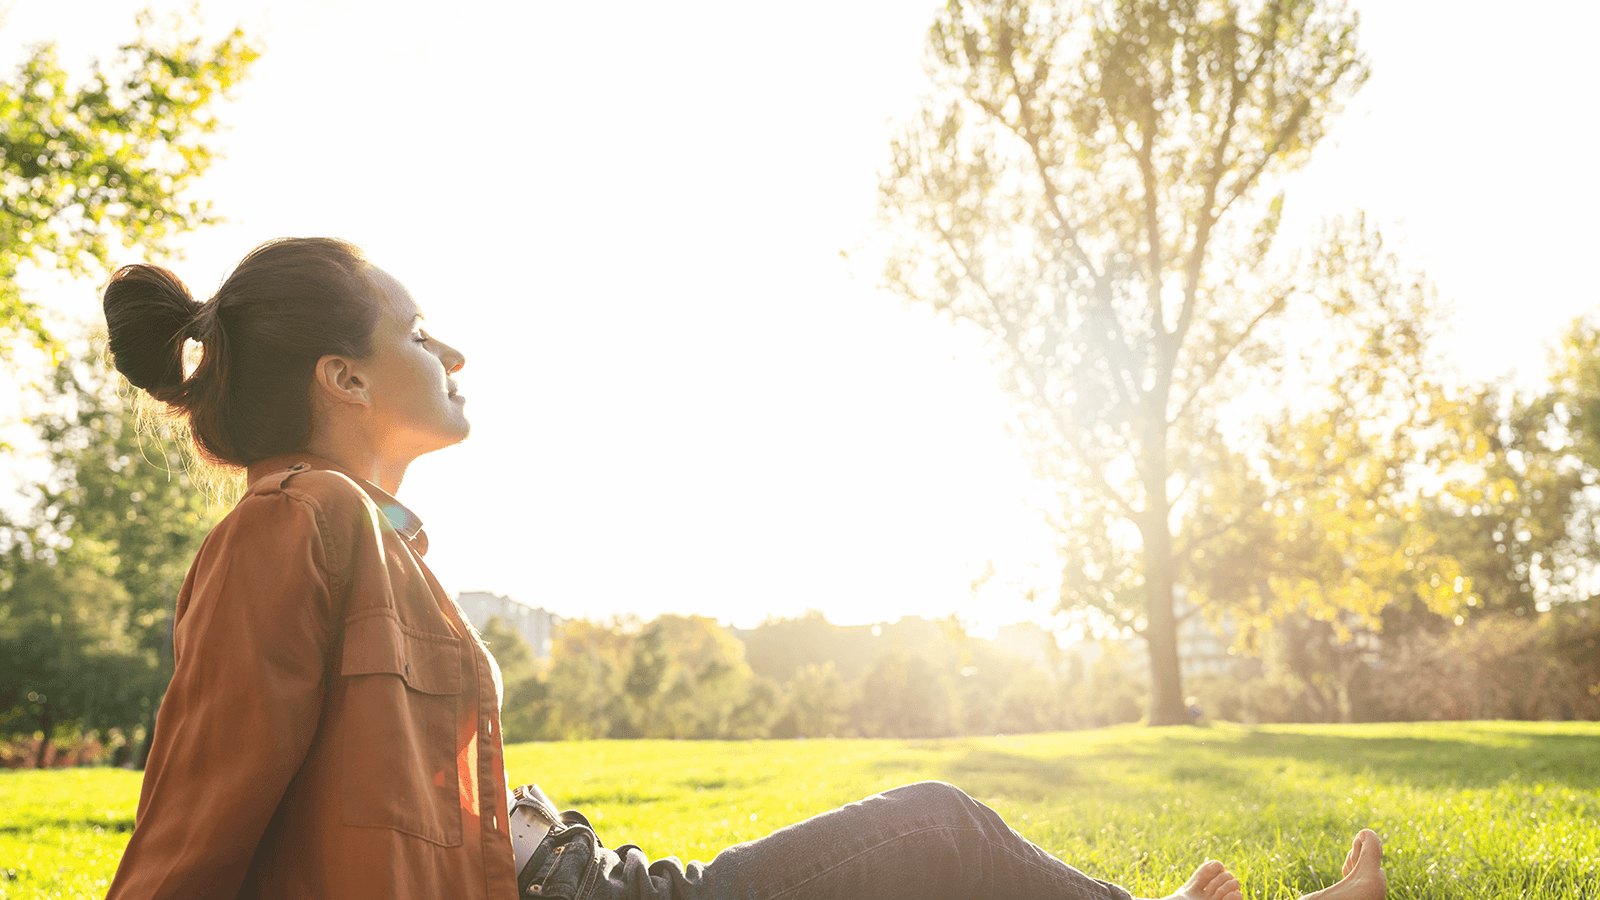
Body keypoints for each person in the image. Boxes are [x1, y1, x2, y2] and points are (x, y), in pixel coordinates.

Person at [100, 237, 1386, 900]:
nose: (456, 354)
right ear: (343, 378)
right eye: (421, 334)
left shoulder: (368, 533)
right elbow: (196, 817)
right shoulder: (293, 524)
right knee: (937, 828)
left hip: (590, 880)